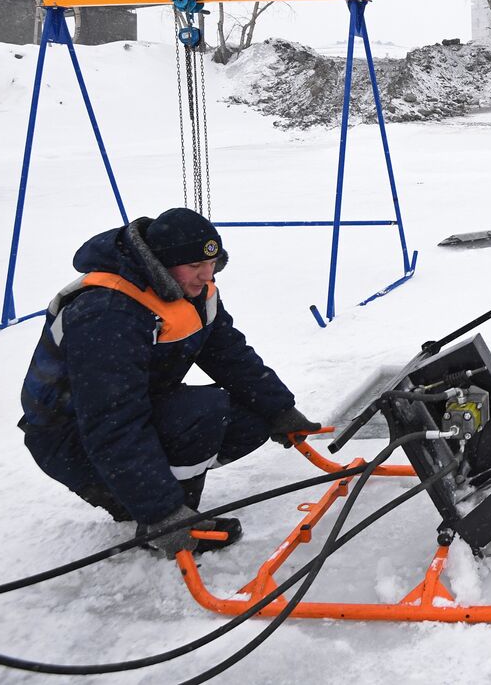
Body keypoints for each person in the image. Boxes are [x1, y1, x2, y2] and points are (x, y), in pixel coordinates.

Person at [19, 208, 320, 558]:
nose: (206, 275)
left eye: (213, 264)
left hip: (129, 413)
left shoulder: (193, 291)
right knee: (204, 413)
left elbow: (229, 353)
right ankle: (163, 520)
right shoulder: (107, 312)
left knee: (252, 418)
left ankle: (159, 503)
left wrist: (280, 409)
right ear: (163, 263)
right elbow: (111, 421)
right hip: (72, 437)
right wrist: (161, 513)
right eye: (194, 267)